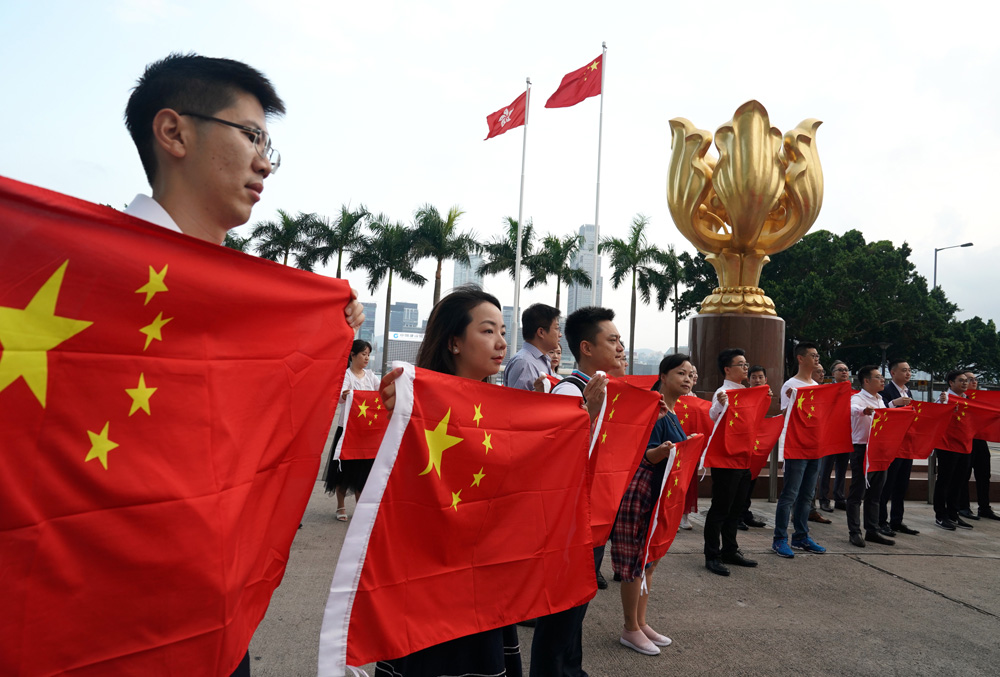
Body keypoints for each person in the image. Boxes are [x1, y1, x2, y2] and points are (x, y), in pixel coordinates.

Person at [123, 53, 364, 677]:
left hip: (219, 612)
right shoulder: (86, 282)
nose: (265, 163)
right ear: (173, 132)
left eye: (267, 144)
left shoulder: (254, 305)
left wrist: (324, 341)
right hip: (111, 614)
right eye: (251, 136)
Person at [374, 286, 522, 677]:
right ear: (454, 342)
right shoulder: (412, 401)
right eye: (488, 331)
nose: (502, 342)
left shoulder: (506, 409)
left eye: (503, 331)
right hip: (432, 572)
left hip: (486, 569)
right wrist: (399, 410)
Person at [533, 306, 613, 676]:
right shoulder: (570, 389)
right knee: (561, 611)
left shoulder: (604, 391)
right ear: (587, 347)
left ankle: (571, 670)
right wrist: (589, 414)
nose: (620, 348)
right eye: (612, 340)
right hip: (571, 518)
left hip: (594, 512)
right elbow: (554, 452)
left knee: (577, 605)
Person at [612, 354, 692, 655]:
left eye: (691, 374)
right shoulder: (653, 407)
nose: (687, 379)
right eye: (681, 373)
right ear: (663, 375)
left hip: (660, 496)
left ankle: (641, 622)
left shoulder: (671, 411)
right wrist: (663, 451)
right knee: (636, 562)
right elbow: (641, 451)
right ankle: (629, 628)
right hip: (642, 494)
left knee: (650, 560)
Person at [703, 349, 757, 576]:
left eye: (746, 364)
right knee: (720, 509)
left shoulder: (746, 392)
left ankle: (730, 550)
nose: (745, 368)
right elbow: (714, 415)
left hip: (743, 458)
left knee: (736, 509)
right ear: (727, 369)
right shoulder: (722, 392)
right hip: (726, 460)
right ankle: (712, 555)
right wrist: (721, 404)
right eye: (740, 364)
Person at [773, 342, 827, 558]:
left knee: (807, 495)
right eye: (813, 355)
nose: (817, 358)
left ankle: (801, 536)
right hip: (797, 447)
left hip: (815, 446)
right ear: (800, 358)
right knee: (790, 495)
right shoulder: (791, 385)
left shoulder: (817, 386)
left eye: (817, 355)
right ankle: (779, 539)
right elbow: (786, 415)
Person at [323, 340, 380, 520]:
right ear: (353, 355)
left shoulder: (371, 376)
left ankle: (360, 508)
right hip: (347, 430)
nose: (367, 358)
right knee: (343, 470)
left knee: (363, 471)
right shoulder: (346, 376)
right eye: (363, 354)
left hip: (365, 432)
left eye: (368, 354)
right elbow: (338, 398)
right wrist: (345, 395)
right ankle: (340, 507)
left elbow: (381, 393)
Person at [846, 366, 897, 548]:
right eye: (878, 377)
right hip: (862, 449)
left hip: (879, 449)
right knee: (857, 492)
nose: (882, 380)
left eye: (882, 377)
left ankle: (872, 530)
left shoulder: (880, 400)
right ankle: (854, 532)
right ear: (866, 381)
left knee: (875, 493)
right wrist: (864, 411)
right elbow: (852, 409)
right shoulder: (857, 399)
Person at [878, 360, 920, 535]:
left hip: (906, 444)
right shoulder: (886, 391)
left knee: (901, 485)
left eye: (909, 370)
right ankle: (881, 521)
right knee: (887, 484)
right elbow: (880, 413)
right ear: (893, 373)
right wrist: (893, 403)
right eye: (904, 370)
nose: (908, 373)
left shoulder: (907, 391)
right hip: (891, 444)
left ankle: (897, 520)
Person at [932, 370, 974, 531]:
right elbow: (936, 416)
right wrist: (945, 406)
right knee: (945, 480)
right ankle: (940, 515)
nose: (965, 383)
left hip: (964, 445)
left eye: (966, 381)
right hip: (947, 446)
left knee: (959, 481)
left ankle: (953, 513)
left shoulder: (968, 399)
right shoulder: (944, 398)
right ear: (951, 383)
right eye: (961, 380)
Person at [959, 372, 1000, 521]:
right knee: (964, 474)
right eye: (969, 380)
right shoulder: (959, 398)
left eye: (975, 379)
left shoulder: (981, 399)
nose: (973, 382)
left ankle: (984, 507)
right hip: (965, 440)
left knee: (984, 473)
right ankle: (963, 506)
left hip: (980, 439)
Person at [818, 360, 852, 512]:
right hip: (829, 435)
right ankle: (823, 499)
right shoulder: (827, 390)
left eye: (846, 369)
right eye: (840, 370)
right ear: (833, 374)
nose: (844, 372)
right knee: (825, 469)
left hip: (845, 434)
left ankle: (839, 498)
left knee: (842, 468)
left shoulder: (852, 392)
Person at [738, 366, 769, 530]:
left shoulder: (766, 396)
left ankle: (745, 512)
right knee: (741, 481)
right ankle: (737, 516)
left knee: (752, 476)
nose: (757, 380)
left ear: (765, 380)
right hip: (742, 443)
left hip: (757, 442)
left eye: (760, 377)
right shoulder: (743, 395)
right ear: (748, 380)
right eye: (754, 377)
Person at [502, 303, 561, 391]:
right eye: (557, 329)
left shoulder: (543, 360)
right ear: (541, 332)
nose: (560, 334)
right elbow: (516, 399)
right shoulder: (524, 363)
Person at [679, 364, 701, 531]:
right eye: (685, 373)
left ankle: (684, 515)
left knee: (689, 482)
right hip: (675, 444)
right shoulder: (672, 396)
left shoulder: (697, 399)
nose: (691, 376)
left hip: (691, 446)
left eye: (693, 373)